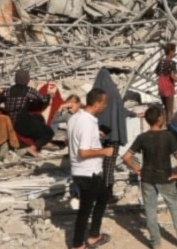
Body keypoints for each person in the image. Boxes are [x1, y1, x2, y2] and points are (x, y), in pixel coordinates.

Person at [122, 106, 177, 249]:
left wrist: (135, 168)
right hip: (165, 177)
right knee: (174, 208)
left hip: (147, 177)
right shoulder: (168, 136)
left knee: (150, 211)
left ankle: (155, 243)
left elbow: (126, 157)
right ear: (160, 119)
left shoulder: (142, 137)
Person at [68, 88, 114, 249]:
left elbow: (78, 140)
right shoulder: (87, 122)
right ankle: (77, 244)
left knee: (103, 196)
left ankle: (94, 235)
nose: (105, 106)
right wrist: (104, 151)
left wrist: (96, 136)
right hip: (87, 172)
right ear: (96, 104)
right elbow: (83, 151)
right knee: (85, 210)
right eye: (104, 103)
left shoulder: (76, 118)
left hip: (85, 170)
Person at [0, 69, 57, 156]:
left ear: (15, 79)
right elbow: (43, 100)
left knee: (38, 118)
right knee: (48, 132)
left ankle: (40, 143)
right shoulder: (28, 91)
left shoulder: (7, 91)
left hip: (11, 122)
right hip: (23, 123)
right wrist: (49, 95)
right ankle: (34, 147)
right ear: (27, 80)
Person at [156, 43, 177, 118]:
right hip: (168, 88)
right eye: (174, 51)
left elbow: (158, 73)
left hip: (161, 87)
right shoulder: (172, 63)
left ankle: (166, 125)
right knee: (170, 110)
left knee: (166, 109)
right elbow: (172, 76)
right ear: (170, 51)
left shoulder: (161, 62)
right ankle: (170, 127)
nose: (175, 53)